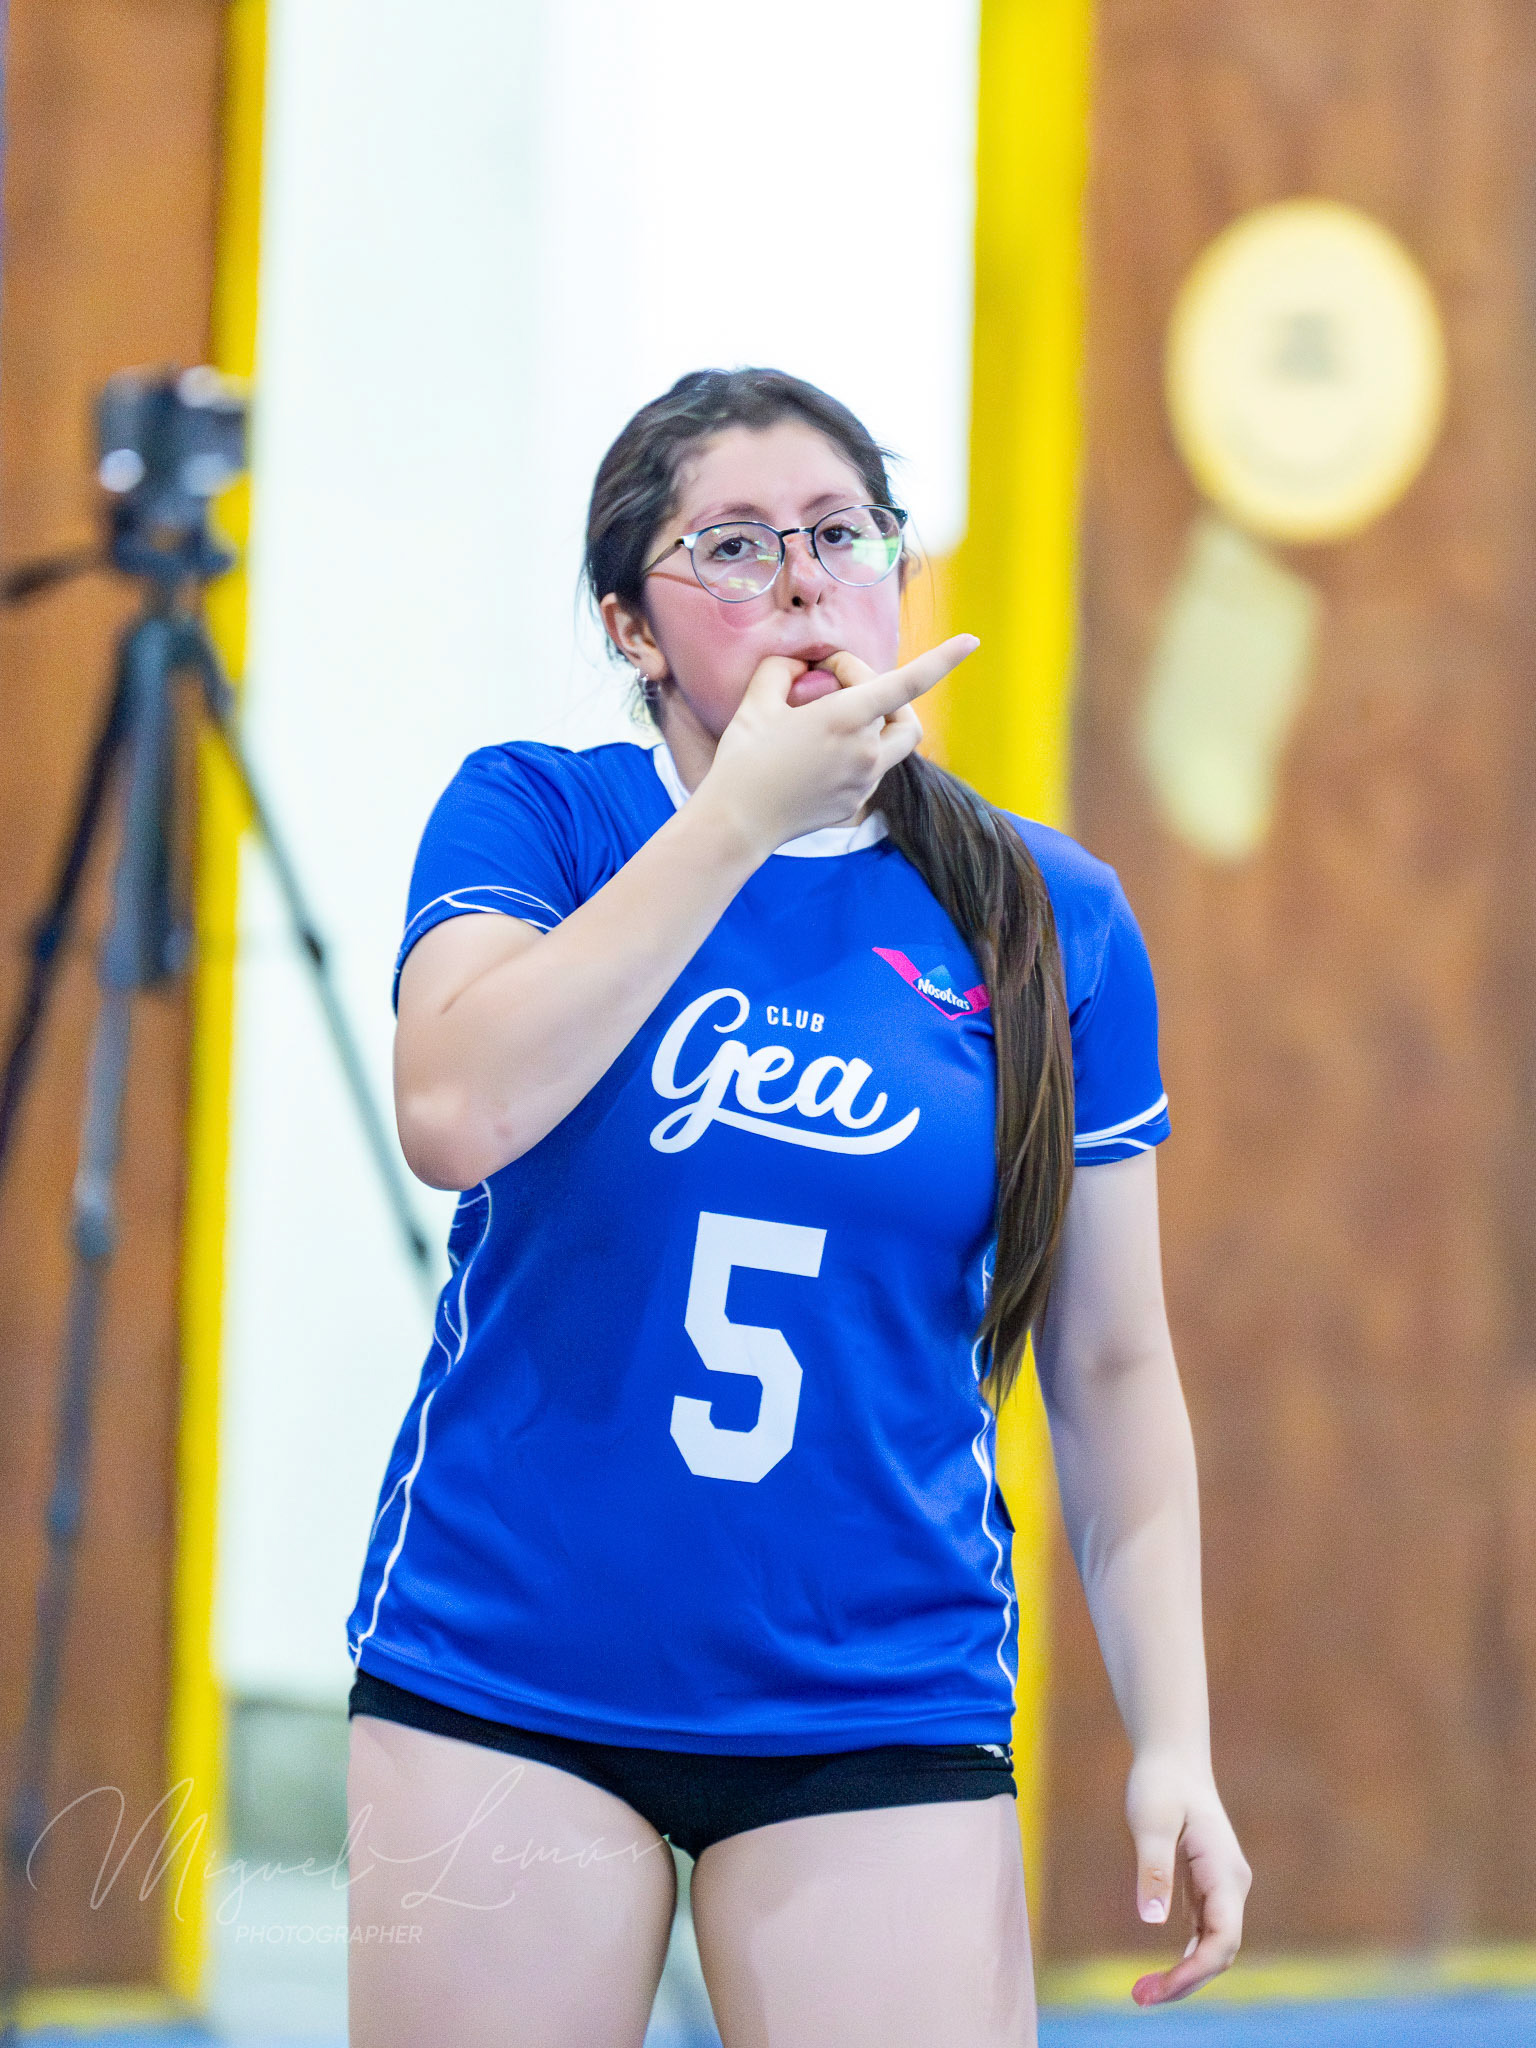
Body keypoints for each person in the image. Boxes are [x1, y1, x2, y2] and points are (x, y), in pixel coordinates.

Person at [343, 368, 1250, 2048]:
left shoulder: (1048, 912)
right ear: (631, 624)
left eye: (840, 534)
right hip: (510, 1665)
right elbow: (458, 1109)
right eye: (734, 547)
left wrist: (1175, 1740)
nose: (803, 582)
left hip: (874, 1682)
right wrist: (742, 823)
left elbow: (1114, 1368)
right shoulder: (545, 814)